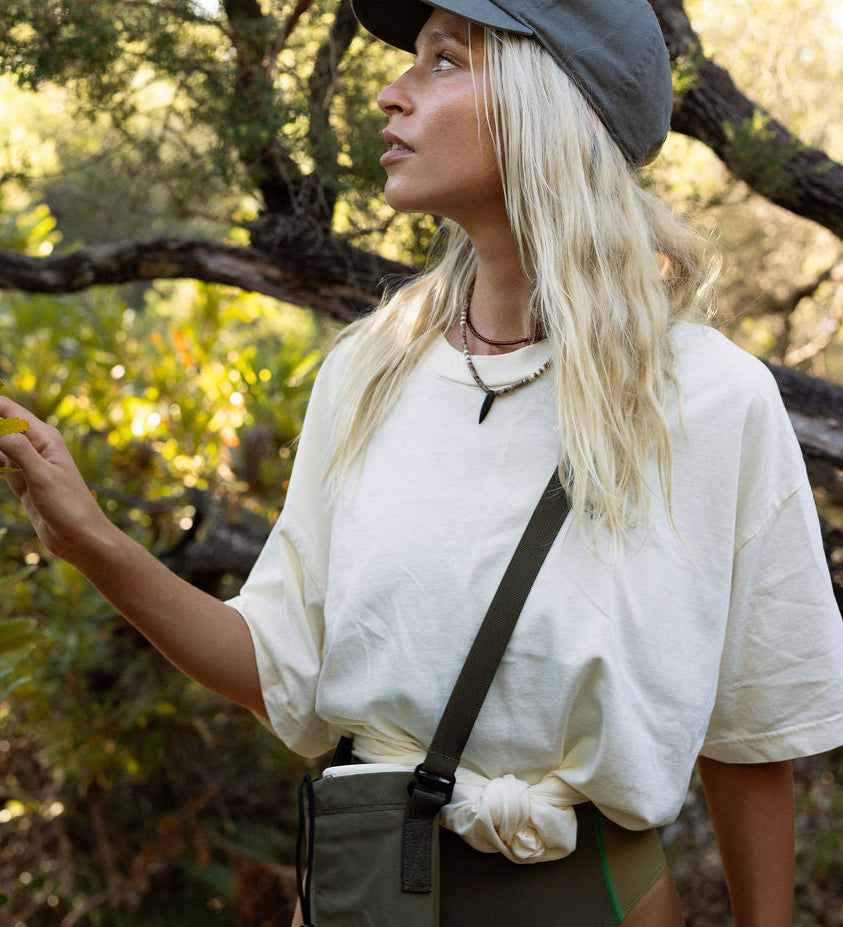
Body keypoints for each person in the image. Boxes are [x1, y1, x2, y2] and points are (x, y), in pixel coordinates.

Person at [1, 0, 842, 923]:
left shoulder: (711, 399)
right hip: (368, 895)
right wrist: (92, 543)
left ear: (545, 102)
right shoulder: (370, 369)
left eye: (443, 61)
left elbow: (753, 731)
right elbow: (277, 668)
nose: (390, 94)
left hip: (595, 899)